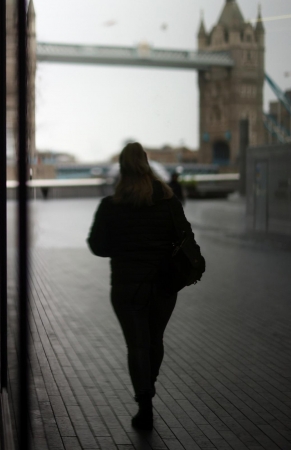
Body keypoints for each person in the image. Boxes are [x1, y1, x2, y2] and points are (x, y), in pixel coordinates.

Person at [87, 142, 198, 431]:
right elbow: (185, 237)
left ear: (122, 169)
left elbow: (97, 246)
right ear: (147, 164)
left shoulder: (111, 205)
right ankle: (149, 384)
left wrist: (124, 245)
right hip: (163, 283)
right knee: (154, 340)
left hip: (127, 286)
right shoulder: (169, 201)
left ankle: (144, 403)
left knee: (136, 345)